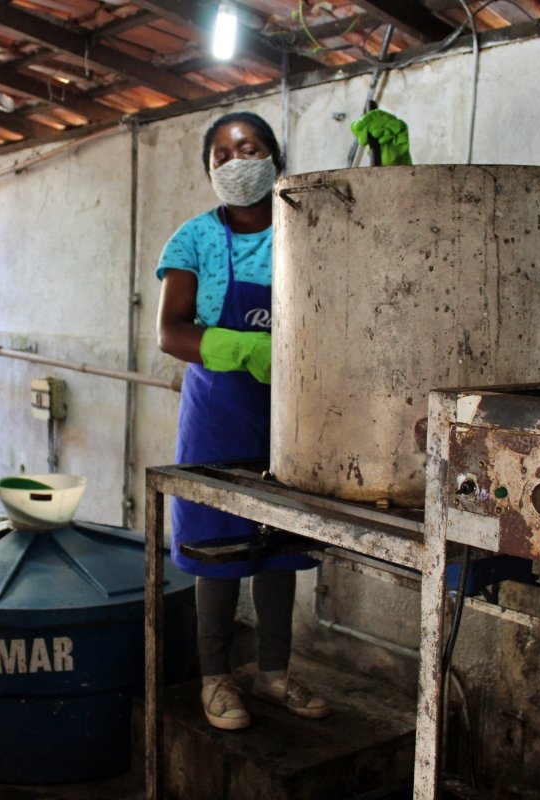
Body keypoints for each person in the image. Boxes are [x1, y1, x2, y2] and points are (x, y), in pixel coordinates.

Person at [156, 111, 329, 731]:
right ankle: (216, 678)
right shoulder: (194, 238)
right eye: (222, 156)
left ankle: (274, 674)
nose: (236, 163)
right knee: (218, 543)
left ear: (274, 157)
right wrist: (244, 347)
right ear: (209, 171)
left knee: (281, 542)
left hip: (292, 413)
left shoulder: (308, 226)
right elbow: (171, 332)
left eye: (248, 149)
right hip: (219, 414)